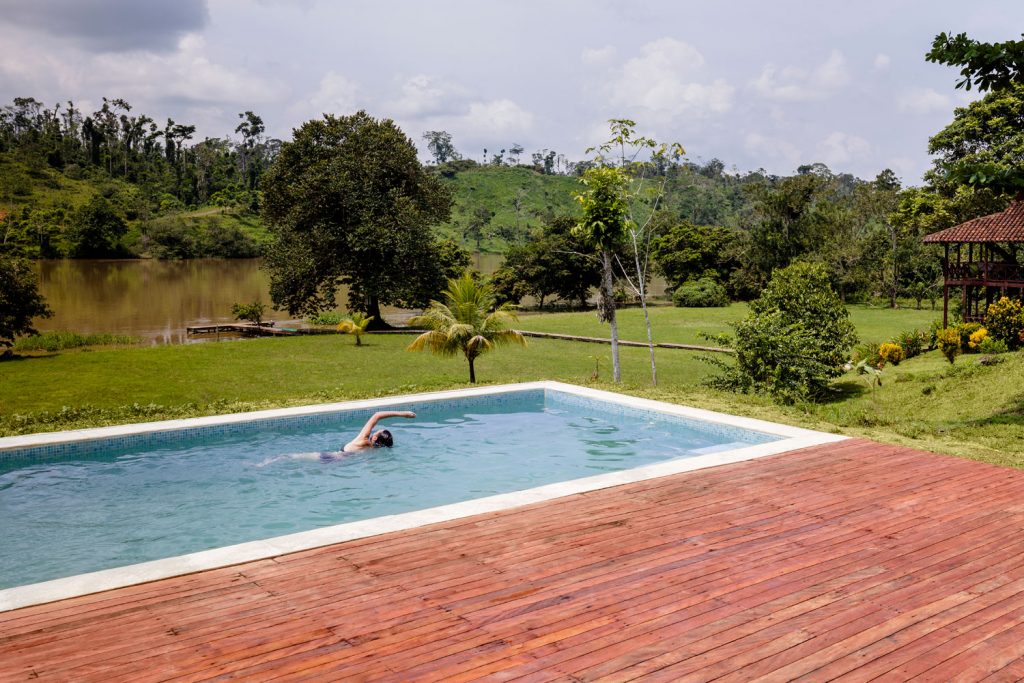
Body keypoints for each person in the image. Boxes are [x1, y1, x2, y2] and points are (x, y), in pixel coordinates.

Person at [342, 410, 416, 452]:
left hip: (333, 458)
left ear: (375, 438)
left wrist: (402, 414)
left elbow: (377, 415)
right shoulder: (373, 449)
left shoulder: (363, 438)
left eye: (376, 432)